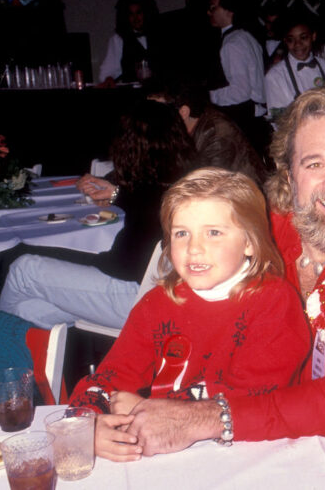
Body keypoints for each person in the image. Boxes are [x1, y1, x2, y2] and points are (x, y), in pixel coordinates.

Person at [112, 87, 325, 457]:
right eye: (314, 164)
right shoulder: (267, 228)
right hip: (256, 427)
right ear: (288, 176)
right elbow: (188, 312)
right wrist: (124, 395)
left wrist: (205, 418)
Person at [68, 167, 311, 462]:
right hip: (165, 449)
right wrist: (88, 423)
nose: (194, 248)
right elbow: (112, 374)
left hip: (251, 454)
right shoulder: (158, 303)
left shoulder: (274, 302)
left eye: (214, 233)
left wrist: (144, 407)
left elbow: (253, 396)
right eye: (182, 233)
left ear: (249, 242)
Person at [0, 101, 196, 330]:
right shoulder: (184, 184)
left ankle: (2, 351)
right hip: (175, 298)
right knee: (27, 309)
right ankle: (28, 360)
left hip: (141, 299)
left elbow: (121, 266)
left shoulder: (151, 198)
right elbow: (142, 200)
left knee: (23, 268)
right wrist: (115, 194)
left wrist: (68, 257)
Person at [148, 81, 267, 182]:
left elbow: (206, 186)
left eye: (158, 111)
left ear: (183, 112)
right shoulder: (179, 130)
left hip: (248, 203)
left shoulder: (216, 135)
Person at [207, 0, 269, 153]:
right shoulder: (247, 36)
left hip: (245, 122)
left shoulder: (232, 43)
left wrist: (209, 96)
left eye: (213, 8)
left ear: (229, 11)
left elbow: (240, 92)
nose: (209, 12)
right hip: (256, 119)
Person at [264, 11, 325, 120]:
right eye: (291, 40)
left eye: (303, 38)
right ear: (285, 41)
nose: (297, 44)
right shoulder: (275, 76)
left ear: (313, 36)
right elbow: (276, 117)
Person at [98, 0, 159, 87]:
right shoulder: (119, 39)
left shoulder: (159, 35)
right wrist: (109, 78)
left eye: (139, 13)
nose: (135, 18)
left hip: (160, 91)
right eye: (131, 14)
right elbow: (107, 71)